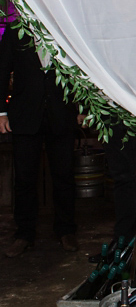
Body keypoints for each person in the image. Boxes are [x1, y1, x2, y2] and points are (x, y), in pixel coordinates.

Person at [0, 26, 79, 256]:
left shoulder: (64, 30)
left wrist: (82, 108)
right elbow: (2, 71)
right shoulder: (14, 34)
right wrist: (1, 113)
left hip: (61, 114)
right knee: (24, 178)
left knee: (64, 174)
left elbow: (80, 74)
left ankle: (66, 230)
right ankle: (24, 234)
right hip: (25, 116)